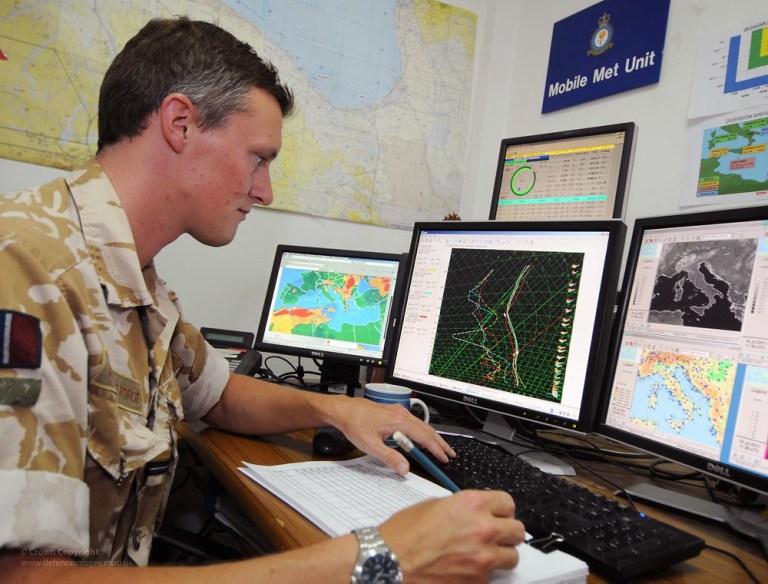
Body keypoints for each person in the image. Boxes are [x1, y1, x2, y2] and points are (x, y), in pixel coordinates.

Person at [0, 16, 525, 582]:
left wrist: (337, 409)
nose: (265, 190)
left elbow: (219, 395)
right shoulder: (30, 269)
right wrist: (379, 558)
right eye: (259, 157)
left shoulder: (134, 279)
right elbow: (30, 578)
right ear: (180, 124)